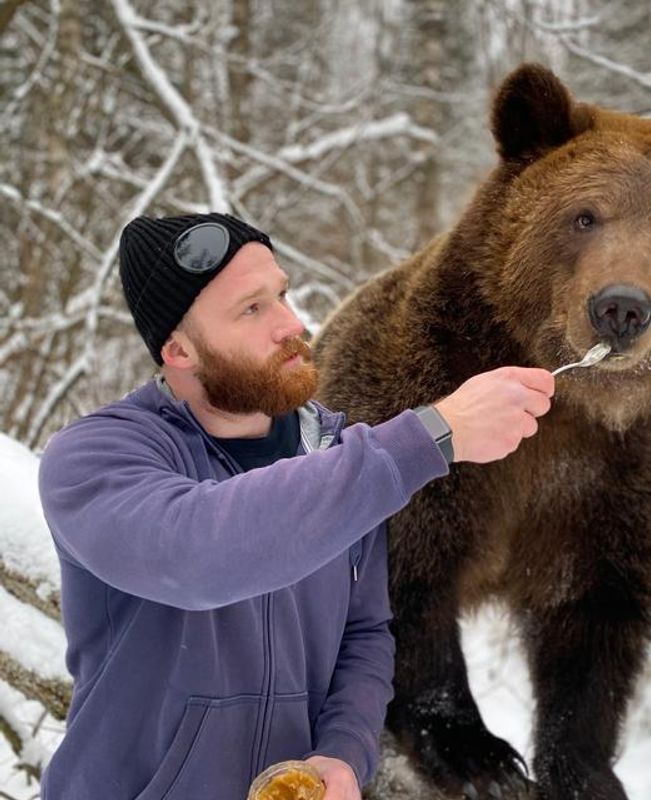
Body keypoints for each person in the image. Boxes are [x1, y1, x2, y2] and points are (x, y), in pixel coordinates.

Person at [37, 213, 555, 800]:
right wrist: (430, 435)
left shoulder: (332, 454)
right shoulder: (96, 458)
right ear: (179, 350)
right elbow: (196, 554)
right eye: (251, 309)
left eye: (281, 294)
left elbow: (364, 635)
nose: (292, 324)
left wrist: (344, 751)